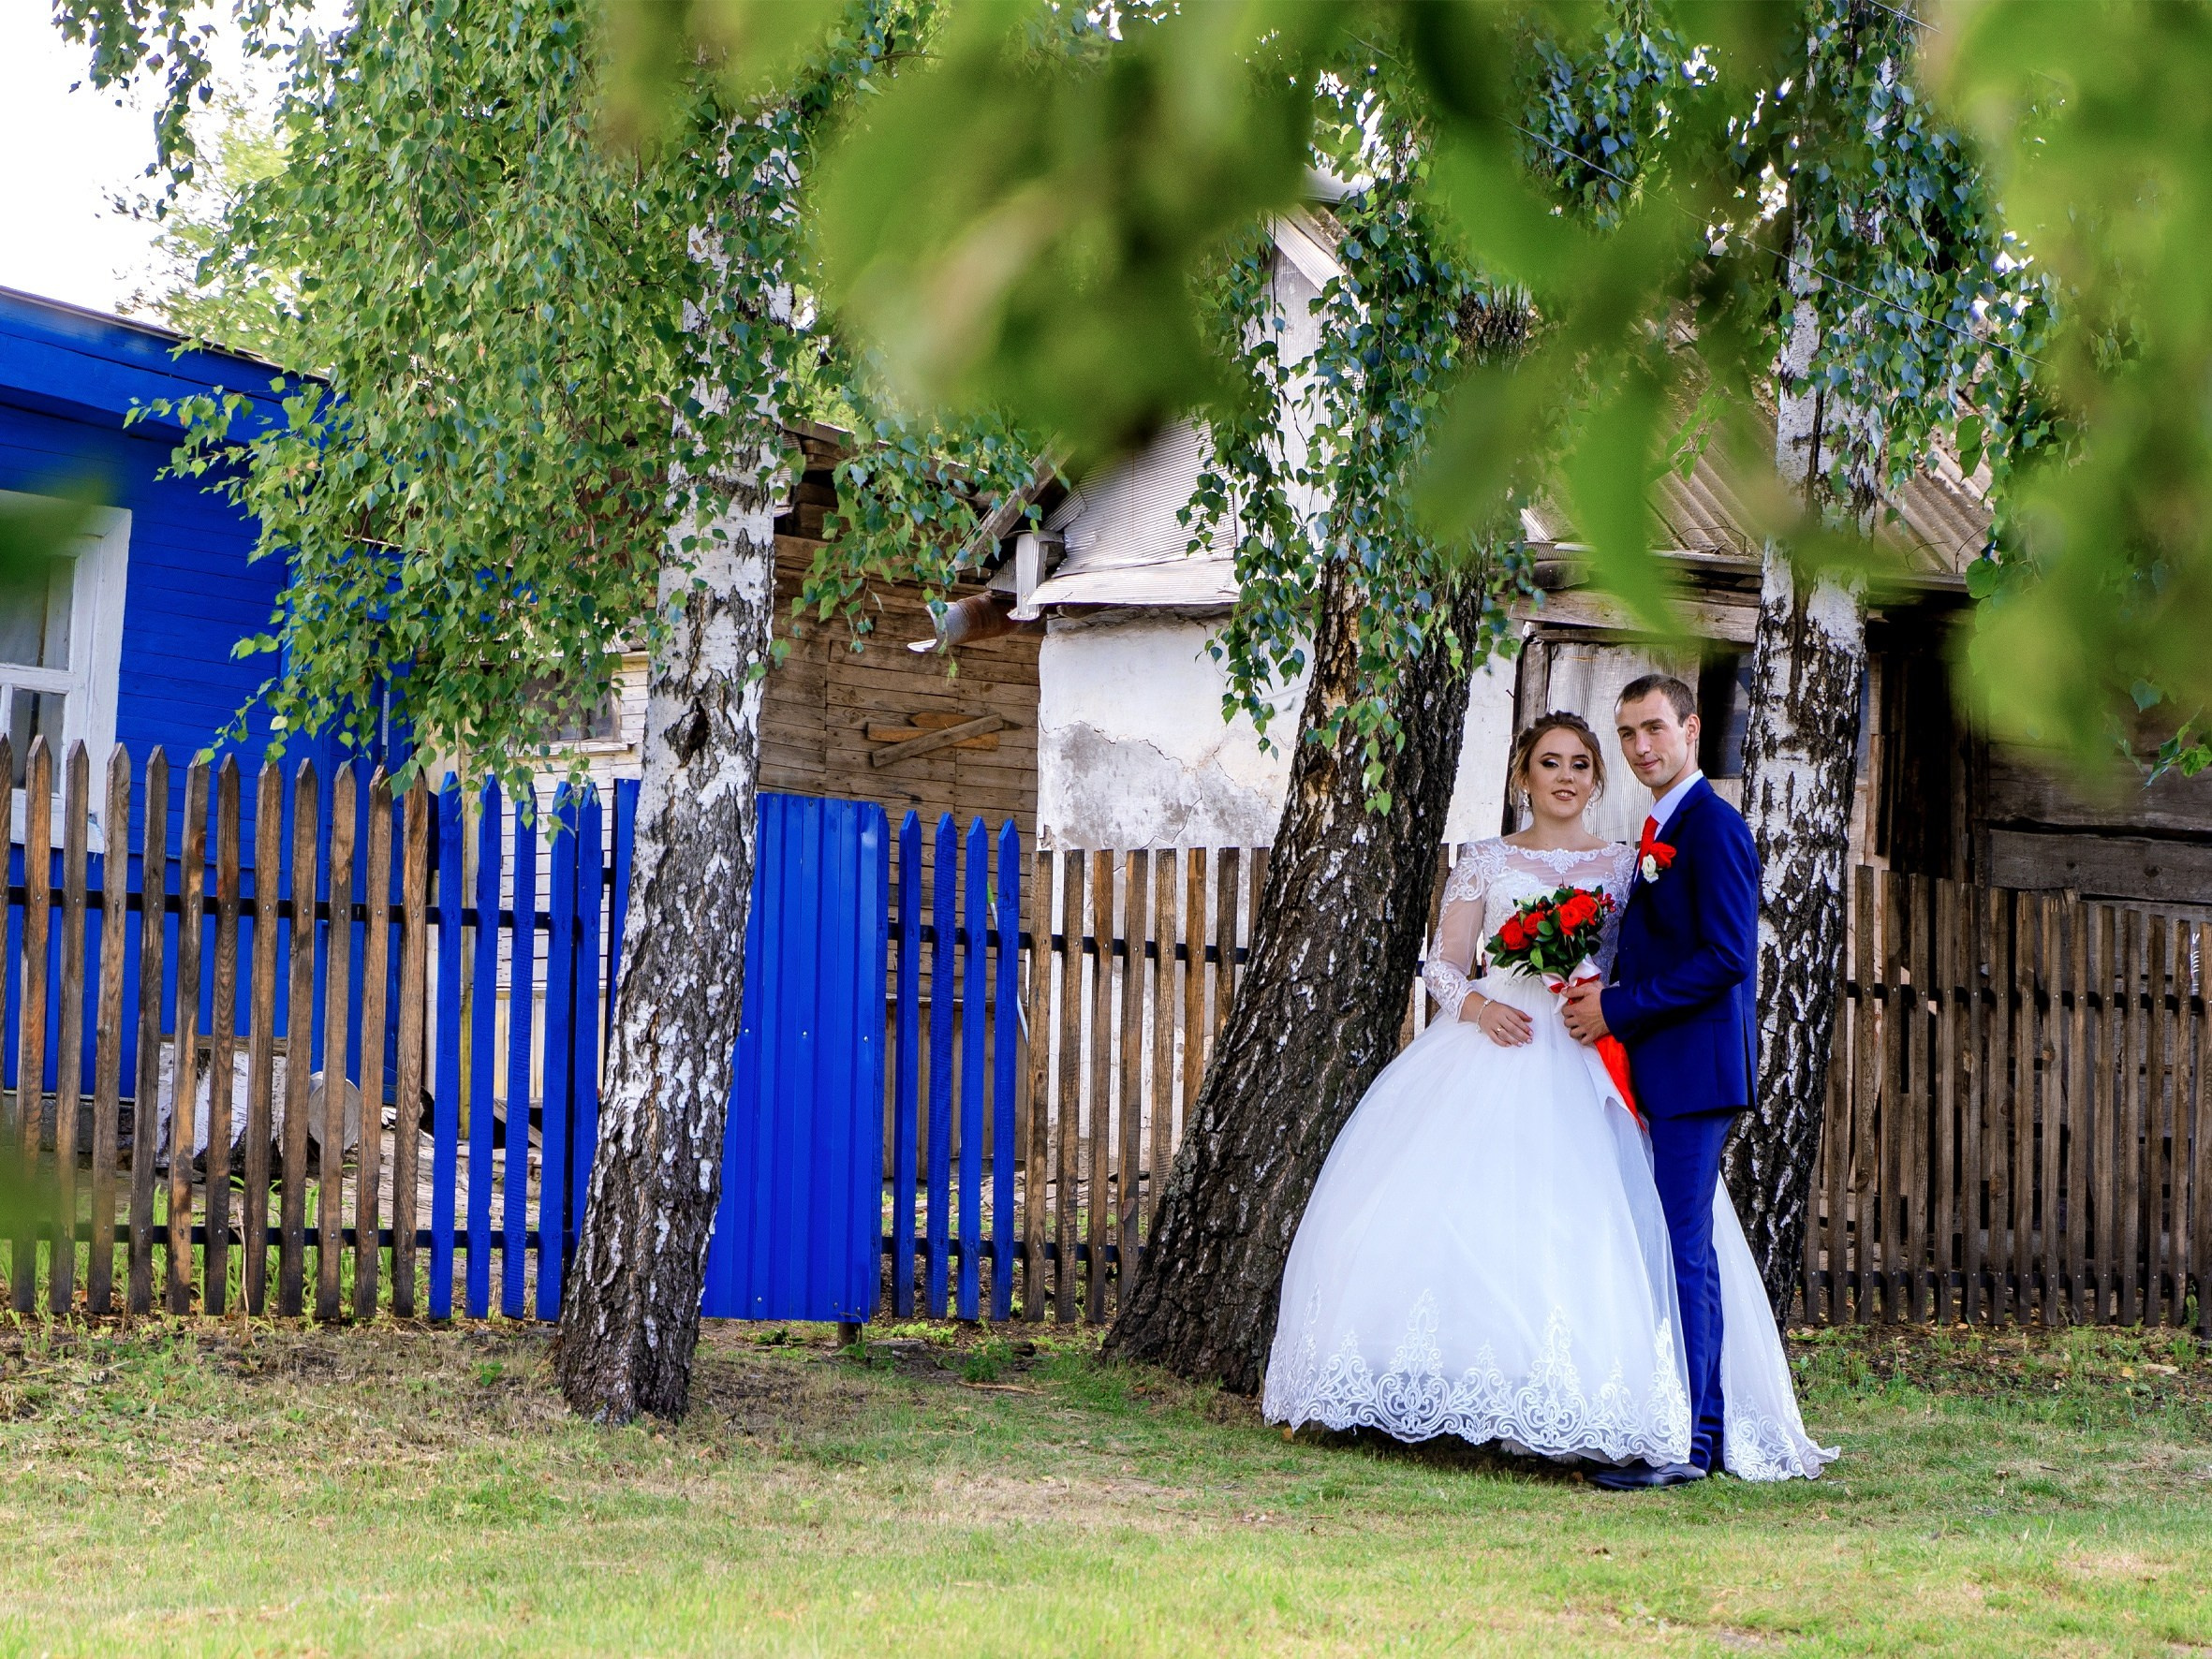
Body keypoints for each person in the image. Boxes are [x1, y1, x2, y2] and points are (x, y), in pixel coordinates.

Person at [1261, 706, 1832, 1483]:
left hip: (1591, 1054)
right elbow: (1442, 966)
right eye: (1549, 763)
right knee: (1479, 1217)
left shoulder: (1627, 866)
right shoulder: (1484, 861)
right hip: (1494, 1048)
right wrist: (1480, 1006)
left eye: (1580, 765)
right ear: (1522, 776)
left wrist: (1606, 1003)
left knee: (1600, 1223)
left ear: (1597, 781)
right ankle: (1475, 1390)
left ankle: (1621, 1408)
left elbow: (1659, 958)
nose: (1565, 777)